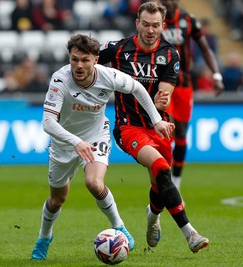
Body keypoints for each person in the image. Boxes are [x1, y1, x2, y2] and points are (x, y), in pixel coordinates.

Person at [30, 33, 175, 260]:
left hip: (96, 135)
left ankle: (120, 228)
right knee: (57, 199)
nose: (79, 65)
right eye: (74, 59)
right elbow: (48, 122)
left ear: (96, 59)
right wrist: (75, 142)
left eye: (85, 60)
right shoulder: (60, 80)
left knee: (93, 182)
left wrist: (156, 120)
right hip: (64, 142)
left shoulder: (109, 76)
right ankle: (44, 237)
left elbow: (137, 89)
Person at [98, 1, 209, 253]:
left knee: (161, 180)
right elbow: (86, 58)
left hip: (159, 127)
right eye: (145, 24)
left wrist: (164, 98)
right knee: (160, 167)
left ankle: (153, 216)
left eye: (155, 25)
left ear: (163, 25)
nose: (150, 30)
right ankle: (190, 234)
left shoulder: (171, 54)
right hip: (128, 127)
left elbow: (166, 89)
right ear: (137, 23)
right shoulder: (118, 49)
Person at [161, 0, 224, 190]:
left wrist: (216, 74)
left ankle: (176, 182)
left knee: (180, 133)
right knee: (166, 129)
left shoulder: (189, 21)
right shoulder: (155, 20)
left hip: (184, 85)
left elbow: (205, 49)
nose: (168, 2)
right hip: (162, 85)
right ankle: (162, 180)